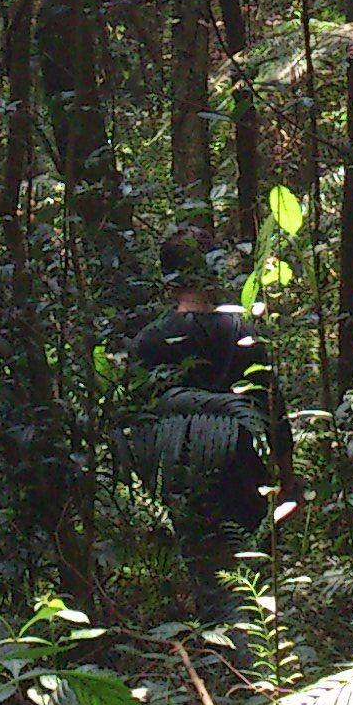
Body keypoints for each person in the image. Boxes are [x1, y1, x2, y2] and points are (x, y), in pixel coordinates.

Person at [124, 229, 297, 616]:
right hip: (244, 474)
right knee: (247, 579)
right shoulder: (243, 335)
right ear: (211, 273)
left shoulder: (151, 341)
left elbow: (138, 424)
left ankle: (224, 654)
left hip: (182, 477)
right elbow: (273, 410)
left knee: (205, 579)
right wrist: (288, 479)